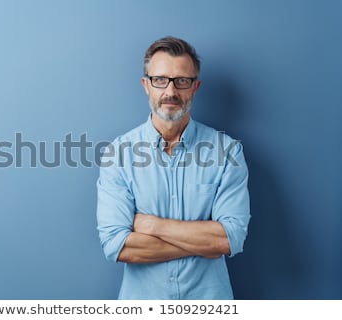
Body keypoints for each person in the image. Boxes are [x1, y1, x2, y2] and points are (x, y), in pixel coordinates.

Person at [96, 36, 250, 299]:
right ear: (146, 85)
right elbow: (117, 247)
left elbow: (229, 239)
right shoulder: (118, 153)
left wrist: (152, 226)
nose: (170, 92)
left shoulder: (227, 152)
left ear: (195, 87)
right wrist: (204, 242)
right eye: (160, 80)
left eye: (181, 81)